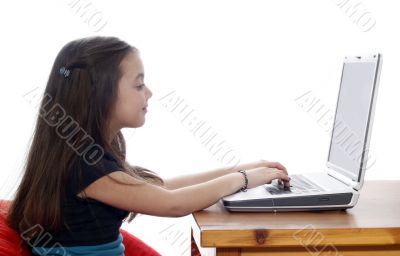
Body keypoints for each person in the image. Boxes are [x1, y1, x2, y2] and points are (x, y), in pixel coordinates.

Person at [6, 36, 290, 255]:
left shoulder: (85, 154)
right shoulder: (83, 166)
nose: (149, 93)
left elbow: (161, 187)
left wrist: (240, 168)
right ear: (100, 94)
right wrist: (242, 179)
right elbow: (172, 203)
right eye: (139, 85)